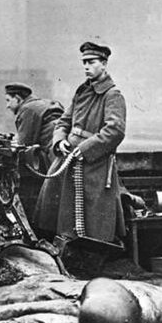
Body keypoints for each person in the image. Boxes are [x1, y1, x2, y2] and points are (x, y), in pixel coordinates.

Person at [37, 41, 127, 251]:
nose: (86, 66)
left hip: (92, 165)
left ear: (104, 64)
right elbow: (64, 121)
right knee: (59, 212)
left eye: (91, 62)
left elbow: (115, 130)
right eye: (84, 62)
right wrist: (59, 140)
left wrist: (85, 149)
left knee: (90, 218)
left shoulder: (112, 95)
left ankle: (87, 254)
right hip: (68, 158)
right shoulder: (81, 91)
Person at [4, 82, 64, 169]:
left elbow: (24, 143)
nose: (7, 106)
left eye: (8, 100)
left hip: (53, 154)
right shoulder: (46, 103)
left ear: (17, 98)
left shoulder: (27, 109)